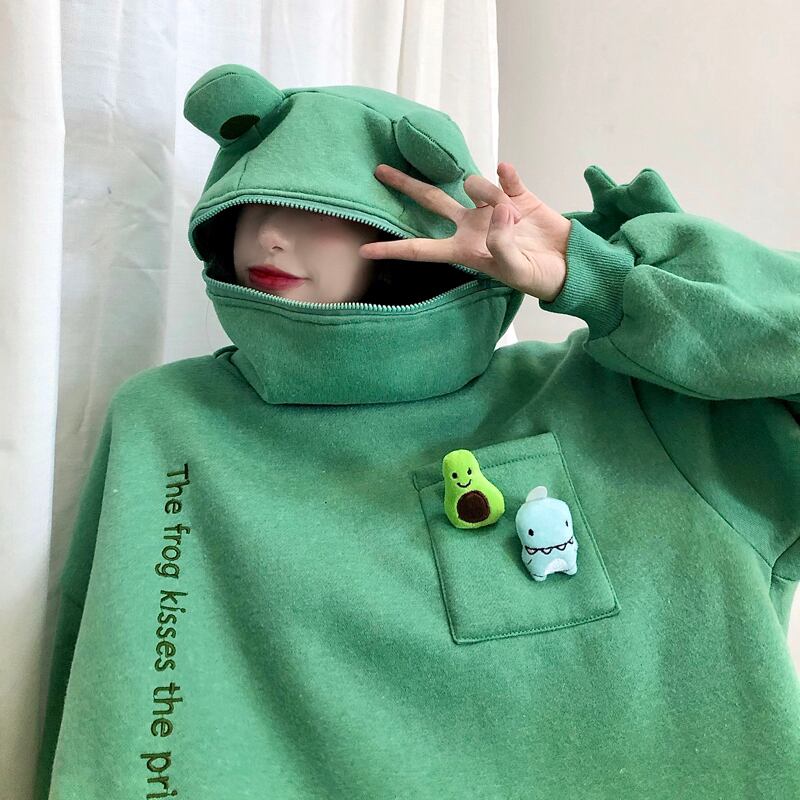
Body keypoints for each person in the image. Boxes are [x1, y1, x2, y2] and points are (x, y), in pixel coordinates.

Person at [36, 63, 800, 799]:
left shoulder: (620, 401)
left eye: (316, 214)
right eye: (250, 210)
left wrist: (596, 276)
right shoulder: (171, 420)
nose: (269, 237)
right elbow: (102, 685)